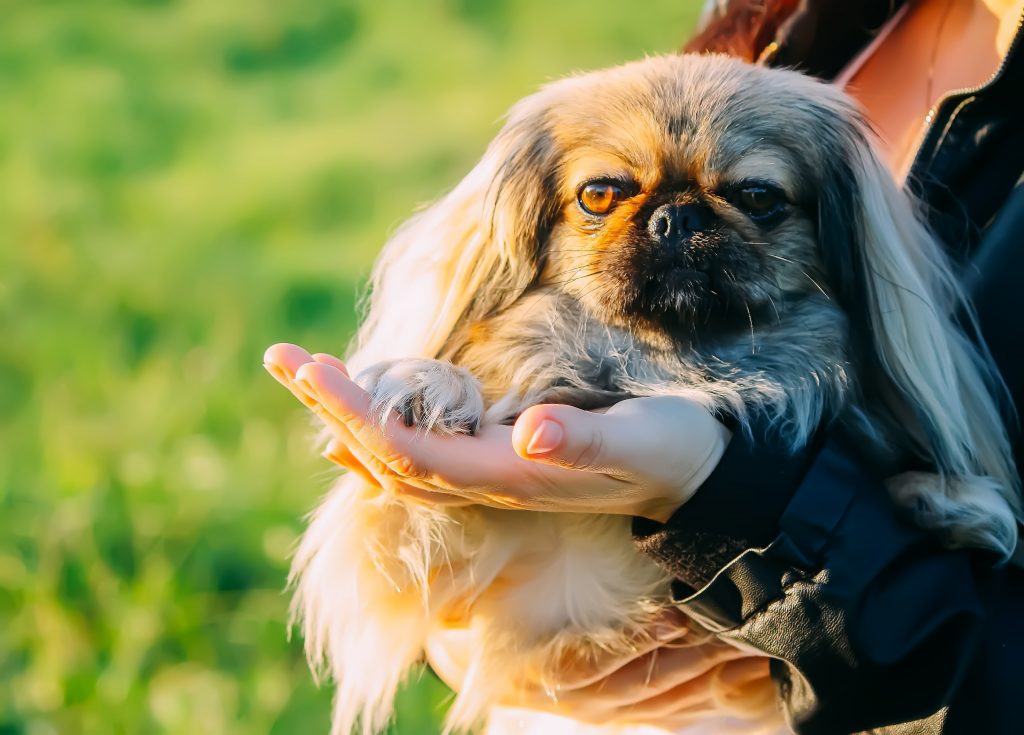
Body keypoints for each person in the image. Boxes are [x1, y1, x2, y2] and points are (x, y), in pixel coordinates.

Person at [264, 0, 1024, 731]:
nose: (672, 222)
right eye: (604, 194)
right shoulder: (792, 14)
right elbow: (388, 585)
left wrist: (720, 490)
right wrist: (461, 630)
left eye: (754, 196)